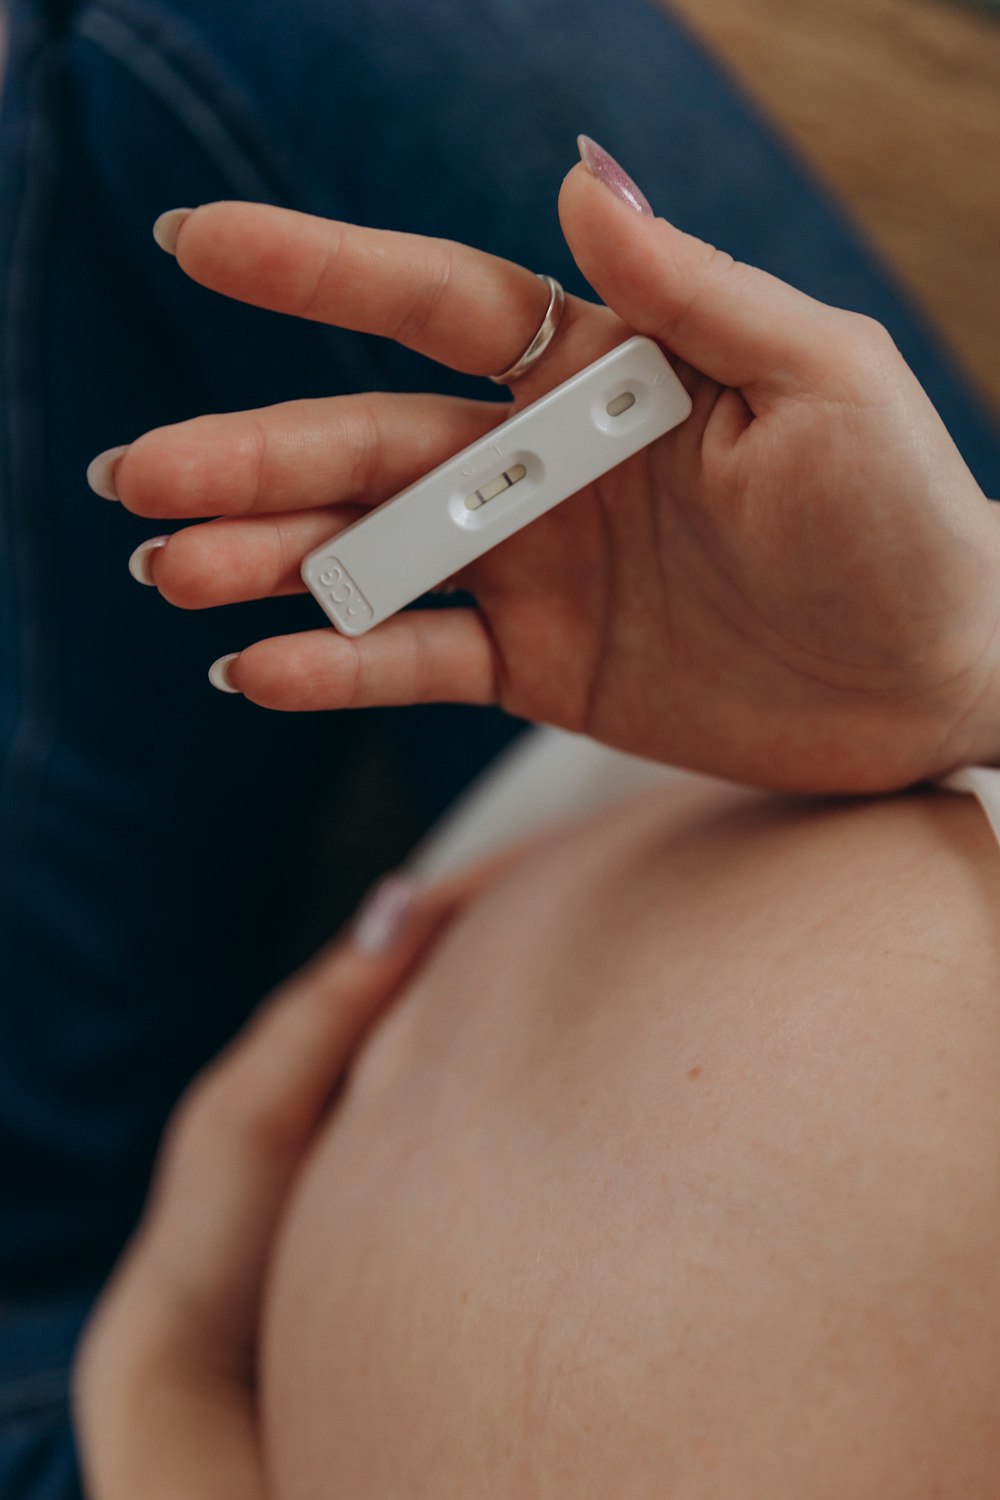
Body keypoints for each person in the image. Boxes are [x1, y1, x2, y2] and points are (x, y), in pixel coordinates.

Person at [73, 144, 1000, 1496]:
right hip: (737, 734)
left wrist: (163, 1366)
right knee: (133, 47)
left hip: (145, 1396)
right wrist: (970, 663)